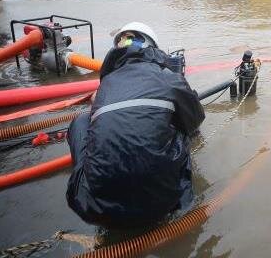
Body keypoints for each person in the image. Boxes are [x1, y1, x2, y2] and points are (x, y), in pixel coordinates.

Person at [66, 22, 205, 228]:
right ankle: (182, 198)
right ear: (153, 49)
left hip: (96, 208)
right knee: (181, 127)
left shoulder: (106, 85)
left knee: (80, 122)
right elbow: (195, 119)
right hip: (164, 202)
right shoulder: (168, 77)